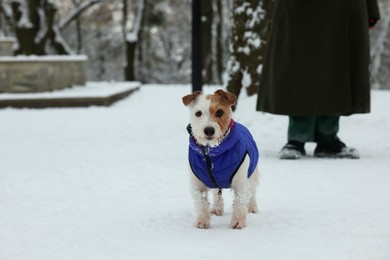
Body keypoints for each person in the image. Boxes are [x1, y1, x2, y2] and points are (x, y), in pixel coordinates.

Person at [256, 0, 380, 159]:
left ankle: (327, 138)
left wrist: (371, 7)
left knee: (337, 66)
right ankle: (297, 137)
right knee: (300, 67)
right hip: (300, 9)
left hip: (345, 8)